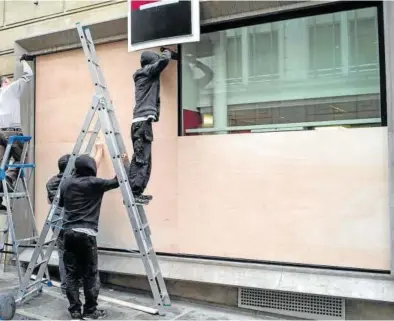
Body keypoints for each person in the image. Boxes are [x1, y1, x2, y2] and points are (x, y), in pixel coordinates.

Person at [59, 153, 123, 320]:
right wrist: (123, 162)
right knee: (90, 274)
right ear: (91, 167)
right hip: (86, 234)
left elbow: (61, 204)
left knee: (71, 274)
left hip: (68, 234)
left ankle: (74, 311)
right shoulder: (95, 183)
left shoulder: (66, 184)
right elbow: (117, 181)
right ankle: (90, 311)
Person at [45, 142, 104, 296]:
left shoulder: (51, 181)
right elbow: (94, 166)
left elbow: (50, 201)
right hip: (72, 219)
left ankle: (67, 288)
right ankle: (90, 291)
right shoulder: (74, 180)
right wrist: (99, 150)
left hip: (55, 219)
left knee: (64, 254)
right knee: (87, 254)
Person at [127, 47, 177, 204]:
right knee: (141, 160)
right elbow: (163, 61)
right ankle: (134, 193)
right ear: (149, 63)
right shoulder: (146, 72)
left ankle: (138, 191)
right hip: (141, 124)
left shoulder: (146, 75)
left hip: (143, 124)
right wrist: (168, 50)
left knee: (145, 162)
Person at [0, 54, 34, 210]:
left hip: (0, 132)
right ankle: (9, 178)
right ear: (5, 82)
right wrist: (24, 61)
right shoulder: (10, 89)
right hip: (12, 132)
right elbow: (28, 76)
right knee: (22, 157)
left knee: (2, 163)